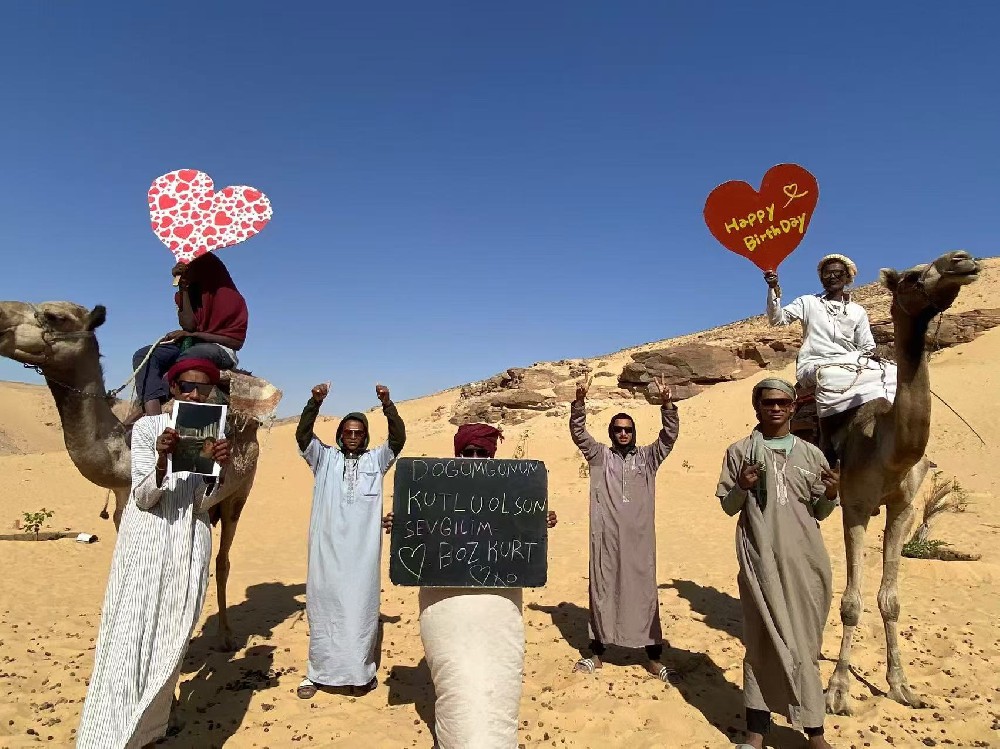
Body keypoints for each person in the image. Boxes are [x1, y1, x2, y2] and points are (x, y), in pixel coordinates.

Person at [76, 358, 231, 749]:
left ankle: (149, 729)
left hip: (188, 542)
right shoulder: (147, 428)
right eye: (188, 387)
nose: (195, 394)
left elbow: (204, 503)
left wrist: (219, 470)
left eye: (203, 389)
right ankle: (109, 734)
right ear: (173, 390)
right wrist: (163, 458)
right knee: (130, 633)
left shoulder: (214, 430)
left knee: (174, 634)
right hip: (148, 540)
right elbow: (144, 498)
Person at [382, 424, 558, 748]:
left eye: (481, 452)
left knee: (499, 682)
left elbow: (520, 538)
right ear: (458, 453)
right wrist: (401, 522)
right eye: (468, 452)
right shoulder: (437, 490)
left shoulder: (509, 491)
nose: (474, 458)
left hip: (498, 609)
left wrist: (538, 519)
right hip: (447, 608)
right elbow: (421, 532)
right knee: (457, 682)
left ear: (491, 455)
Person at [715, 378, 839, 749]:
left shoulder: (811, 455)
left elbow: (819, 510)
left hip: (805, 561)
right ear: (757, 407)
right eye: (768, 402)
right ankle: (756, 732)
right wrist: (742, 486)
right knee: (760, 643)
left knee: (805, 644)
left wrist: (832, 494)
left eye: (783, 403)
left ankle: (814, 730)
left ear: (792, 407)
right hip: (760, 562)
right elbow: (727, 506)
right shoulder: (740, 452)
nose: (776, 408)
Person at [295, 381, 405, 699]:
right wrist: (314, 402)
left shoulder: (377, 461)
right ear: (341, 434)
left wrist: (387, 403)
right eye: (348, 432)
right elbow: (303, 435)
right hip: (326, 552)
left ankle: (360, 673)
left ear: (365, 435)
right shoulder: (324, 459)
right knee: (324, 609)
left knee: (360, 611)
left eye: (358, 433)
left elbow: (398, 438)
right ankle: (317, 673)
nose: (353, 437)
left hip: (362, 555)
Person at [569, 374, 679, 681]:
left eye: (628, 430)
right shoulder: (599, 456)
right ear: (611, 433)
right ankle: (597, 653)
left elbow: (669, 437)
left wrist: (667, 405)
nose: (623, 433)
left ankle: (653, 657)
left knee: (644, 592)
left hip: (640, 542)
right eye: (618, 430)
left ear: (634, 433)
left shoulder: (648, 458)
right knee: (602, 589)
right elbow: (579, 434)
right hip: (606, 540)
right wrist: (579, 404)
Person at [765, 253, 896, 460]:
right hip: (816, 363)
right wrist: (773, 289)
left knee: (892, 373)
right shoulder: (808, 302)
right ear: (821, 278)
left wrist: (872, 357)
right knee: (829, 376)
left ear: (847, 277)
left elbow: (867, 345)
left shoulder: (857, 311)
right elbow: (777, 319)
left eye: (837, 273)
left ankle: (896, 440)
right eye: (827, 274)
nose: (832, 277)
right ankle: (827, 443)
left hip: (851, 363)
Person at [130, 252, 249, 420]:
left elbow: (235, 342)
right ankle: (153, 415)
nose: (185, 269)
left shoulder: (231, 298)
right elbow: (189, 325)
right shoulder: (191, 293)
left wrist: (194, 335)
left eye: (189, 266)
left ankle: (149, 406)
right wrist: (183, 288)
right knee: (144, 354)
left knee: (190, 356)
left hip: (220, 349)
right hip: (191, 342)